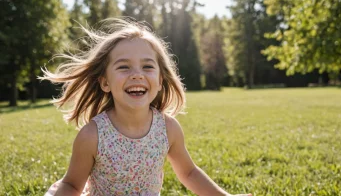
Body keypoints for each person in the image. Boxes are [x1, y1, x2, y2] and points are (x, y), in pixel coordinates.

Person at [41, 19, 251, 196]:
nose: (137, 74)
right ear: (105, 82)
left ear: (160, 80)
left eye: (148, 66)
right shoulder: (92, 135)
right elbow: (72, 185)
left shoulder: (168, 129)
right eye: (124, 66)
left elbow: (189, 172)